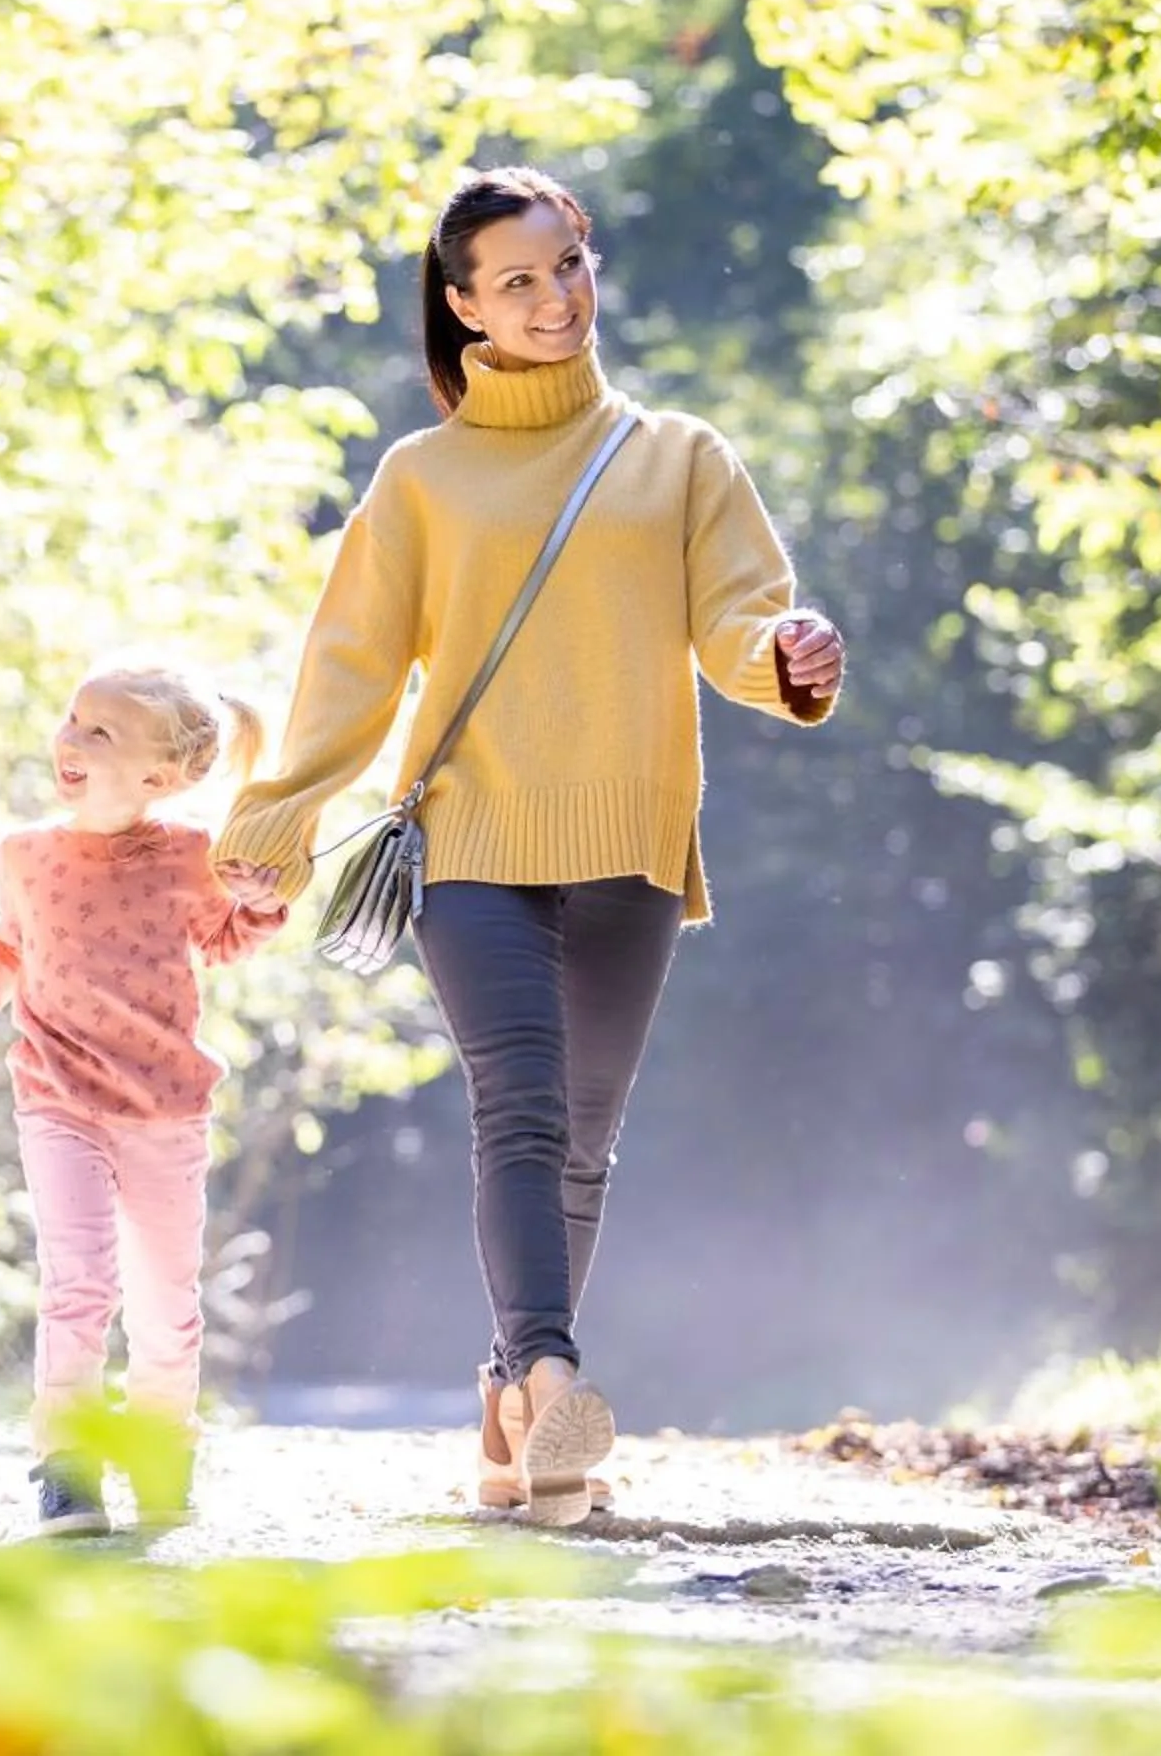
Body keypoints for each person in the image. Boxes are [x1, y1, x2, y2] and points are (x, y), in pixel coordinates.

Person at [211, 166, 846, 1527]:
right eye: (518, 280)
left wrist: (787, 656)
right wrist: (277, 817)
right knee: (523, 1102)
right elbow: (352, 667)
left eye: (569, 264)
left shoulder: (680, 457)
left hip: (627, 836)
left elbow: (743, 623)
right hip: (472, 841)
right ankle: (554, 1374)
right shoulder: (423, 478)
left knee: (584, 1139)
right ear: (464, 309)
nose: (556, 297)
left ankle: (510, 1411)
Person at [0, 666, 287, 1537]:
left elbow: (229, 937)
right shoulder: (25, 854)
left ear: (159, 778)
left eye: (101, 734)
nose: (70, 740)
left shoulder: (189, 857)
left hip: (166, 1111)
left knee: (166, 1300)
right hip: (58, 1099)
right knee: (78, 1284)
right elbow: (10, 950)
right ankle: (67, 1467)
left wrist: (265, 897)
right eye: (73, 720)